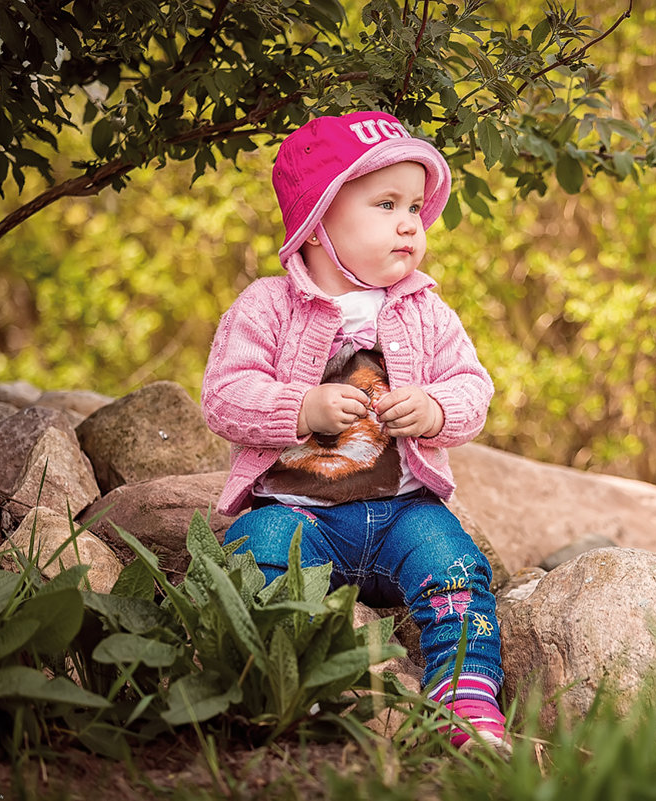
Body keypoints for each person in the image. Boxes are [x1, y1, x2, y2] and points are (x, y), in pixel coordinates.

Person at [201, 111, 506, 753]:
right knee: (254, 556)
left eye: (416, 207)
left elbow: (473, 387)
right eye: (386, 204)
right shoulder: (266, 306)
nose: (410, 224)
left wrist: (434, 408)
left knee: (456, 569)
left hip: (402, 511)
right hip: (296, 512)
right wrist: (301, 407)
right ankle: (278, 688)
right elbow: (223, 398)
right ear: (316, 224)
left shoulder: (427, 309)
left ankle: (465, 700)